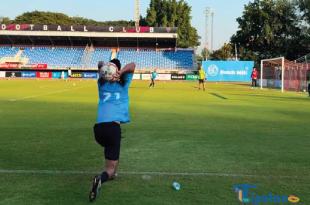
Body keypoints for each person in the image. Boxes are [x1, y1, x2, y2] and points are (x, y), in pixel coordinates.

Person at [89, 59, 136, 202]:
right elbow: (133, 65)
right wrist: (120, 72)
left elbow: (99, 63)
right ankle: (102, 177)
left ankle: (110, 173)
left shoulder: (101, 83)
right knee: (110, 168)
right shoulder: (123, 83)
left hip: (98, 130)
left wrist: (105, 69)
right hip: (113, 129)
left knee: (109, 149)